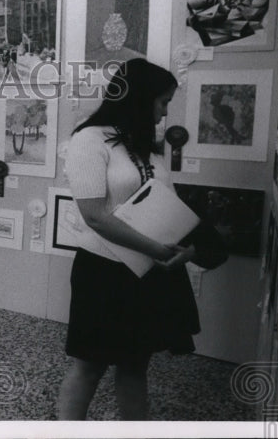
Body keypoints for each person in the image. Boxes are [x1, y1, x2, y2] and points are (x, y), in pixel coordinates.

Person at [57, 58, 200, 420]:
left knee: (136, 365)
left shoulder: (143, 145)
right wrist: (156, 250)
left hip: (149, 271)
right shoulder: (89, 139)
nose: (165, 112)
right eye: (162, 101)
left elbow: (162, 202)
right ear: (141, 97)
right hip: (104, 272)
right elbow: (94, 216)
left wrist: (184, 248)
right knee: (90, 367)